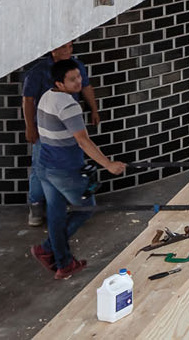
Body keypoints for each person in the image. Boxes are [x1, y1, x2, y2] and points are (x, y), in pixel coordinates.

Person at [31, 58, 125, 280]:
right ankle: (48, 249)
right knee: (86, 208)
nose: (78, 82)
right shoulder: (68, 105)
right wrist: (108, 164)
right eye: (72, 79)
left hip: (46, 166)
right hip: (65, 169)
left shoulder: (46, 96)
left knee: (56, 214)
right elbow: (83, 141)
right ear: (59, 83)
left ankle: (61, 262)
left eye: (79, 77)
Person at [22, 43, 99, 226]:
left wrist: (94, 110)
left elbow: (86, 87)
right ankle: (36, 206)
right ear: (53, 49)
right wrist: (30, 127)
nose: (68, 52)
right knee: (40, 167)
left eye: (70, 47)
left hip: (69, 127)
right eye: (63, 48)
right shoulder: (38, 72)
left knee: (65, 167)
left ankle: (59, 205)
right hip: (46, 129)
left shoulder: (76, 66)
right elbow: (28, 100)